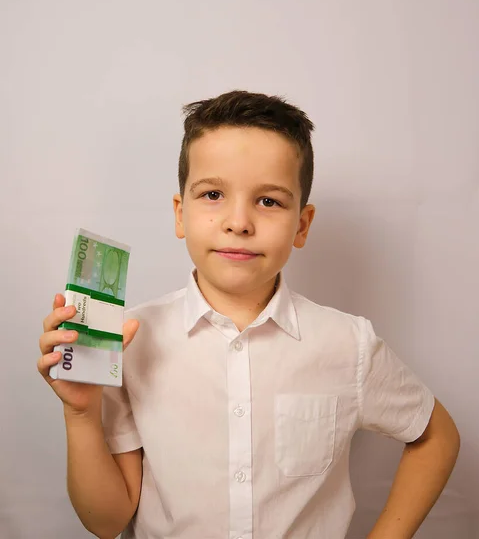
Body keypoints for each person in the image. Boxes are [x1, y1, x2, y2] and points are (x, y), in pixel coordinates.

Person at [38, 90, 460, 539]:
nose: (238, 222)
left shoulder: (347, 343)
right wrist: (81, 416)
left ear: (301, 224)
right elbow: (107, 523)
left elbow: (437, 436)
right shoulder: (131, 340)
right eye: (213, 194)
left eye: (268, 201)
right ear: (181, 215)